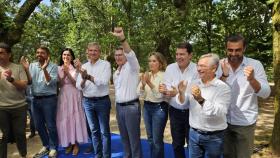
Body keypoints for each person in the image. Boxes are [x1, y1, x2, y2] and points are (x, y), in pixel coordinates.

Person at [218, 34, 271, 158]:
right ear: (226, 49)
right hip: (222, 121)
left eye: (238, 50)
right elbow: (213, 91)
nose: (233, 53)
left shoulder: (255, 65)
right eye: (230, 50)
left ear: (244, 49)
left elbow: (266, 93)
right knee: (226, 155)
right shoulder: (219, 64)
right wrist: (224, 76)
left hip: (245, 122)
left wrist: (252, 79)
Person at [177, 53, 231, 158]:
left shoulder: (223, 88)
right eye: (198, 65)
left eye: (203, 66)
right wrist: (181, 93)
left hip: (214, 137)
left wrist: (201, 100)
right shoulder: (194, 83)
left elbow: (221, 112)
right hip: (193, 134)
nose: (199, 69)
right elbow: (183, 103)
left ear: (214, 69)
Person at [159, 42, 199, 158]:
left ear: (190, 55)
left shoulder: (197, 69)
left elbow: (194, 91)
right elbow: (166, 86)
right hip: (175, 111)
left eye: (182, 54)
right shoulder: (170, 68)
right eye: (177, 54)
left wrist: (176, 92)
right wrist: (164, 90)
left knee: (193, 145)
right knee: (177, 144)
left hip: (192, 112)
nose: (178, 57)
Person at [21, 46, 59, 158]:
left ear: (48, 55)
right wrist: (26, 69)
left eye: (42, 53)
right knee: (38, 125)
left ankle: (53, 148)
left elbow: (51, 82)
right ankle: (46, 145)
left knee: (51, 125)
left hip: (49, 99)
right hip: (35, 99)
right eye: (37, 52)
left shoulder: (53, 66)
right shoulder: (31, 66)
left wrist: (44, 69)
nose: (39, 54)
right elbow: (29, 82)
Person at [75, 42, 112, 158]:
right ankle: (98, 155)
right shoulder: (84, 66)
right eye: (90, 50)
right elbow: (78, 86)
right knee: (94, 131)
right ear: (87, 52)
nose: (93, 53)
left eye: (95, 50)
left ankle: (106, 156)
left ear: (99, 52)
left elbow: (104, 82)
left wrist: (88, 76)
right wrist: (84, 78)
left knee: (104, 132)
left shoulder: (106, 65)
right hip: (87, 102)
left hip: (102, 101)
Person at [112, 27, 142, 158]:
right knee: (124, 138)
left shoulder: (132, 67)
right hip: (119, 108)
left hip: (131, 108)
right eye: (116, 55)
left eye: (121, 54)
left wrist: (122, 38)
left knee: (134, 139)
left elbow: (130, 53)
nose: (118, 57)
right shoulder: (115, 73)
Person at [56, 48, 88, 155]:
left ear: (72, 57)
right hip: (64, 95)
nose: (66, 57)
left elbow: (76, 84)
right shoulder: (58, 68)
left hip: (74, 95)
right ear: (62, 56)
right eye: (64, 55)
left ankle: (76, 144)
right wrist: (64, 73)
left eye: (68, 55)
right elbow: (59, 85)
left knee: (75, 117)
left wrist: (68, 73)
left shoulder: (76, 69)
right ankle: (68, 142)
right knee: (65, 119)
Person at [137, 52, 168, 158]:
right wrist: (142, 86)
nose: (151, 63)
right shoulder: (147, 74)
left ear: (160, 63)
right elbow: (140, 95)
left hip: (159, 108)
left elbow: (160, 96)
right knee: (150, 138)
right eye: (150, 61)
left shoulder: (164, 76)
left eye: (154, 61)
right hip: (146, 107)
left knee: (157, 140)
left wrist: (149, 83)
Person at [0, 42, 28, 158]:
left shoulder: (18, 68)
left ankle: (23, 155)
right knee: (2, 136)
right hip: (1, 108)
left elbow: (23, 86)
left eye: (1, 53)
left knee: (20, 134)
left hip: (19, 107)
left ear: (9, 54)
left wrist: (11, 79)